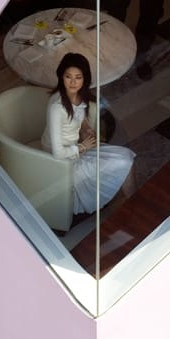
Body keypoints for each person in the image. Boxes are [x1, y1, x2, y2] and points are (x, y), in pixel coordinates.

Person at [41, 53, 135, 217]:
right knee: (123, 162)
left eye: (78, 77)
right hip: (63, 161)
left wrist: (86, 129)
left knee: (126, 158)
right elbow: (57, 153)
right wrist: (84, 146)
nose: (72, 82)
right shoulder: (57, 108)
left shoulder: (79, 96)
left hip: (78, 149)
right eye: (68, 76)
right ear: (61, 76)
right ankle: (134, 205)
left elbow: (80, 116)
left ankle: (132, 203)